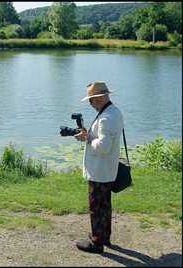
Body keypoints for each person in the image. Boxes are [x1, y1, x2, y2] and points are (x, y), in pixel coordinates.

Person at [74, 81, 124, 254]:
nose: (90, 104)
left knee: (96, 207)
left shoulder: (106, 117)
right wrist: (90, 134)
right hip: (106, 169)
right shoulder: (113, 112)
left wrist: (87, 139)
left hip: (100, 170)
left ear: (101, 97)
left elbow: (104, 147)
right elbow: (104, 139)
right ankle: (104, 236)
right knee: (104, 205)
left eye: (92, 100)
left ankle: (97, 243)